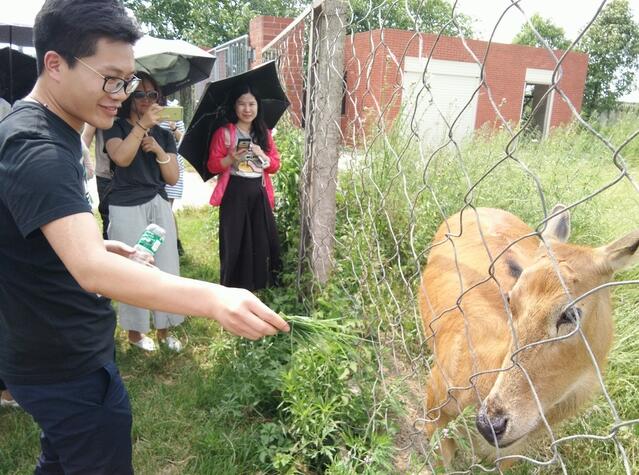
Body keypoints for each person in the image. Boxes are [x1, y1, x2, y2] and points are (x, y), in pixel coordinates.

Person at [0, 2, 289, 474]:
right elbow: (91, 271)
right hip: (63, 362)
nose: (123, 94)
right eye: (111, 78)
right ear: (55, 64)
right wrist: (214, 299)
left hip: (48, 349)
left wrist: (98, 246)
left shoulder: (46, 130)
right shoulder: (40, 147)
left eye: (129, 81)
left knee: (61, 459)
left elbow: (38, 235)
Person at [104, 72, 184, 353]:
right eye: (140, 94)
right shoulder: (115, 127)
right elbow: (121, 157)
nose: (147, 100)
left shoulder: (163, 133)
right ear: (129, 98)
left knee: (165, 266)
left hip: (158, 201)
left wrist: (159, 150)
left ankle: (165, 329)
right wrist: (141, 129)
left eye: (152, 95)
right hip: (126, 204)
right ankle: (135, 333)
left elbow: (172, 177)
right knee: (132, 269)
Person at [207, 83, 282, 291]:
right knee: (234, 241)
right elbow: (212, 165)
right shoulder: (225, 134)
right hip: (234, 193)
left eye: (251, 104)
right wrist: (230, 158)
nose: (247, 109)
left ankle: (258, 285)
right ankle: (230, 287)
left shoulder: (264, 133)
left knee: (261, 240)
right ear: (234, 106)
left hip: (258, 193)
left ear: (258, 106)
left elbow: (275, 166)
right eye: (242, 104)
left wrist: (262, 155)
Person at [159, 99, 186, 256]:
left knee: (166, 209)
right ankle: (171, 244)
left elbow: (183, 139)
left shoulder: (173, 109)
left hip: (173, 164)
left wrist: (173, 126)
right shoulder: (144, 107)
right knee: (162, 208)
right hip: (152, 166)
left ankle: (174, 244)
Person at [82, 124, 112, 239]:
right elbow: (86, 138)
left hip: (134, 176)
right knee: (108, 221)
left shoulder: (137, 107)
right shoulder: (99, 107)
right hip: (106, 175)